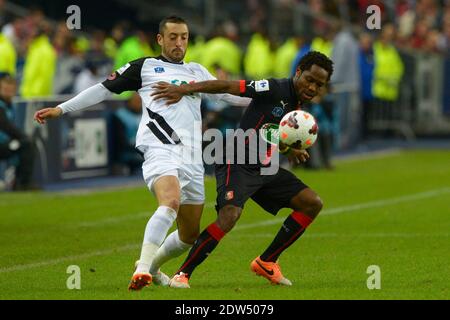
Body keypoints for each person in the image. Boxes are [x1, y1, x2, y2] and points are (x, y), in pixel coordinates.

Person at [33, 16, 250, 291]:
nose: (179, 42)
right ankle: (143, 269)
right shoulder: (145, 67)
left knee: (189, 235)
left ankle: (154, 268)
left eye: (183, 37)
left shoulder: (198, 71)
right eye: (173, 37)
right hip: (160, 149)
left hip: (194, 157)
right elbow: (103, 90)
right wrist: (61, 109)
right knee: (170, 201)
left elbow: (232, 95)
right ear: (160, 39)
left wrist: (278, 95)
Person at [152, 51, 334, 288]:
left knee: (312, 203)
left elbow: (266, 129)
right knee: (230, 215)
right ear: (298, 72)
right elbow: (227, 85)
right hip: (236, 160)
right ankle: (182, 274)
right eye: (310, 79)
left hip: (264, 167)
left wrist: (289, 147)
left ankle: (267, 262)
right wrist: (185, 89)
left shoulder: (297, 103)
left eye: (319, 85)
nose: (312, 87)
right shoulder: (273, 87)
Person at [0, 75, 36, 191]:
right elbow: (6, 127)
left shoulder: (9, 105)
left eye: (11, 89)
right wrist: (24, 137)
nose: (8, 92)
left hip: (6, 144)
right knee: (26, 144)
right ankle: (23, 184)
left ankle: (19, 183)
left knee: (26, 144)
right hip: (2, 146)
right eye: (5, 89)